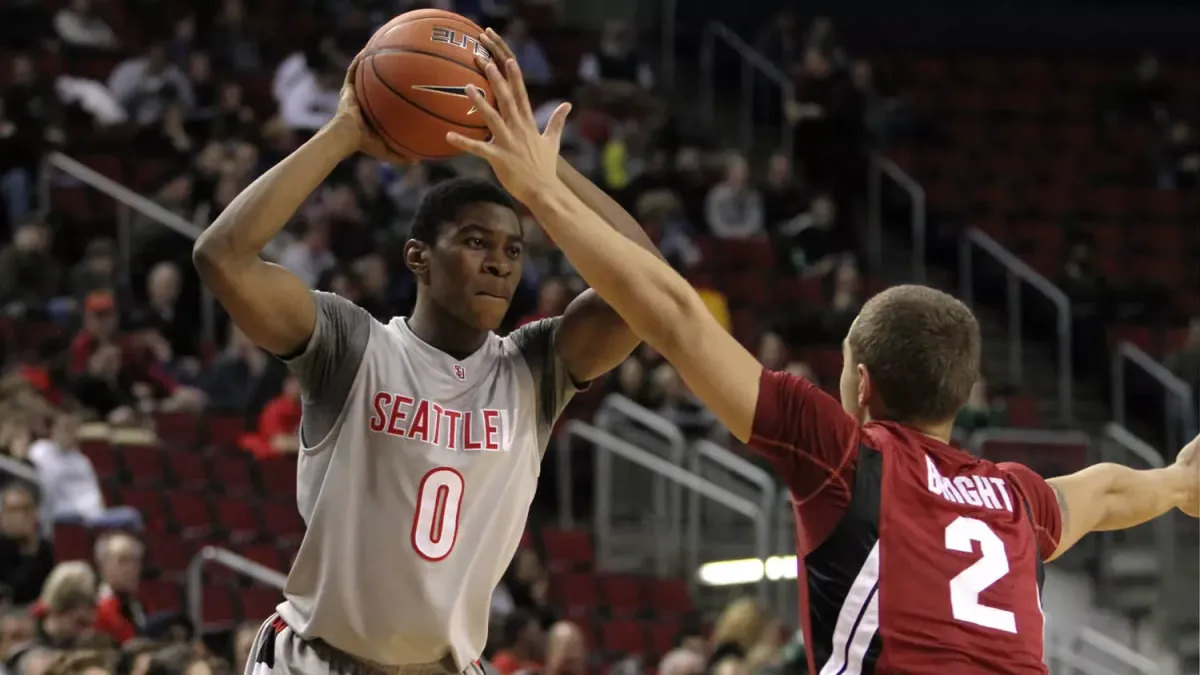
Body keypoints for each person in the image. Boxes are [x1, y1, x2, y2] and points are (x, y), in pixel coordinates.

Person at [447, 32, 1200, 674]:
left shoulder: (845, 454)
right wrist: (1174, 482)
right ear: (960, 395)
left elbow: (674, 313)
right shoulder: (1016, 497)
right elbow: (1104, 493)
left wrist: (541, 192)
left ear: (860, 384)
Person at [192, 43, 658, 675]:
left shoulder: (532, 368)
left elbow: (651, 289)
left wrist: (547, 186)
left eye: (514, 251)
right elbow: (221, 257)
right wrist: (344, 133)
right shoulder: (352, 346)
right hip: (320, 661)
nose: (499, 261)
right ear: (418, 258)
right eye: (474, 242)